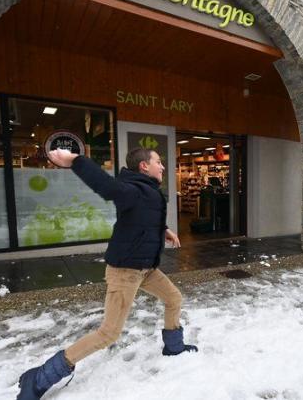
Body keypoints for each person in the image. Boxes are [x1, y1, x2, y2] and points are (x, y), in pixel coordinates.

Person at [17, 148, 198, 400]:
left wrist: (164, 229)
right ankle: (39, 377)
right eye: (159, 162)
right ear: (144, 166)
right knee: (109, 333)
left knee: (174, 299)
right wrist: (76, 161)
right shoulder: (131, 190)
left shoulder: (146, 189)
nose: (163, 166)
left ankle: (174, 347)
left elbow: (144, 216)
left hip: (146, 268)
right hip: (125, 271)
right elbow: (107, 188)